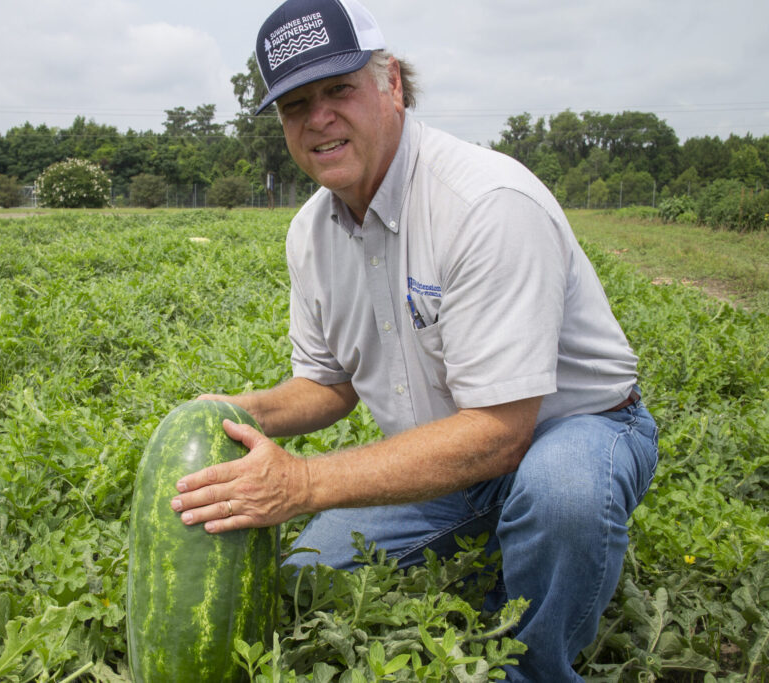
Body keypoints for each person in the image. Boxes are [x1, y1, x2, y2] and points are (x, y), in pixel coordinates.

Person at [170, 0, 659, 679]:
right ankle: (508, 551)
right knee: (306, 576)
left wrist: (304, 481)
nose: (318, 118)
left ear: (391, 84)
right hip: (452, 463)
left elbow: (501, 433)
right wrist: (231, 412)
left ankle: (533, 660)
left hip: (574, 430)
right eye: (295, 104)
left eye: (339, 89)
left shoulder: (485, 204)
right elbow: (329, 384)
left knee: (563, 495)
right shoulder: (310, 233)